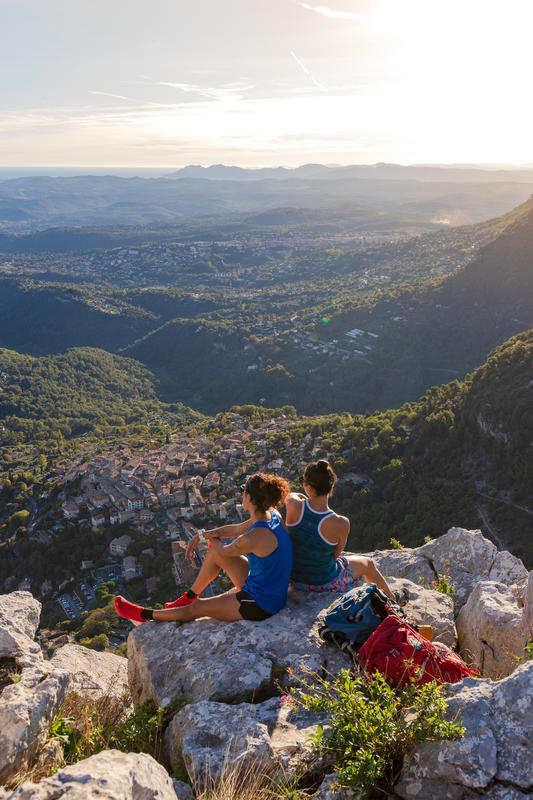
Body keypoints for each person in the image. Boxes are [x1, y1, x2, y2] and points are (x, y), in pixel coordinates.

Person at [114, 472, 293, 625]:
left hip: (261, 604)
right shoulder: (271, 516)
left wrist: (212, 540)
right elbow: (235, 529)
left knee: (197, 608)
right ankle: (188, 596)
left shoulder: (255, 536)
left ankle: (144, 615)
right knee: (214, 550)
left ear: (250, 498)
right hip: (269, 587)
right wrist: (202, 534)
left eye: (242, 490)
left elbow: (224, 551)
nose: (241, 494)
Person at [285, 459, 395, 601]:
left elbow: (292, 495)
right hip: (323, 582)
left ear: (309, 488)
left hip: (293, 579)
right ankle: (392, 602)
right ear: (331, 485)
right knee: (368, 564)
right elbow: (335, 555)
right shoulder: (341, 522)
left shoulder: (292, 504)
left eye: (302, 481)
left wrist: (305, 500)